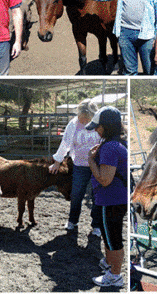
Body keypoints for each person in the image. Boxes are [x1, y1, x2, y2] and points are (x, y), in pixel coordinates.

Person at [86, 107, 128, 287]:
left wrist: (90, 161)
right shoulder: (116, 143)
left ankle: (115, 275)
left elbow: (104, 179)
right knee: (111, 237)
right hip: (115, 199)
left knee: (113, 239)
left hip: (110, 200)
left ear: (107, 126)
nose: (96, 130)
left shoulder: (110, 147)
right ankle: (111, 265)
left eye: (98, 126)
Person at [50, 99, 102, 236]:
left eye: (87, 119)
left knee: (97, 196)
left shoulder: (99, 125)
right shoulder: (73, 124)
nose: (84, 122)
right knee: (76, 194)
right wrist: (57, 161)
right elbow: (65, 143)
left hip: (97, 165)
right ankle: (73, 221)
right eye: (82, 118)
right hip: (79, 165)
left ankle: (96, 225)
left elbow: (104, 142)